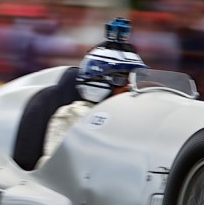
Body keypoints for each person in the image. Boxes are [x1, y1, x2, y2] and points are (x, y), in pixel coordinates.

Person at [40, 17, 147, 164]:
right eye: (121, 79)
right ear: (98, 80)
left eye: (134, 79)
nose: (129, 86)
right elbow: (56, 168)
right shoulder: (71, 116)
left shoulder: (134, 119)